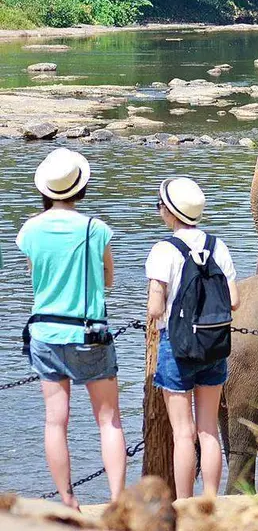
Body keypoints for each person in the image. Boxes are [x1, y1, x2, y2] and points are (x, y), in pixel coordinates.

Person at [17, 148, 125, 510]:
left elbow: (35, 273)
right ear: (81, 188)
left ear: (45, 190)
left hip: (45, 333)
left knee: (55, 422)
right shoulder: (97, 229)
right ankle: (116, 501)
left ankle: (67, 499)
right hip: (89, 334)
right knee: (109, 421)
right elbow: (108, 277)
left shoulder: (29, 229)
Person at [145, 177, 240, 498]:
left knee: (184, 434)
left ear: (170, 213)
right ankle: (211, 500)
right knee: (209, 429)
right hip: (214, 346)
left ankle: (185, 503)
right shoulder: (218, 245)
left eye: (160, 205)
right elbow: (234, 300)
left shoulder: (164, 249)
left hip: (178, 347)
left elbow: (155, 307)